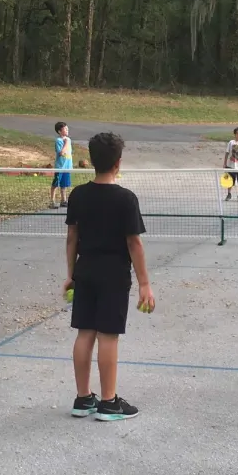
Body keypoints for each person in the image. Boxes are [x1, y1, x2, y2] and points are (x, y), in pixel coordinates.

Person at [64, 132, 156, 422]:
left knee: (84, 332)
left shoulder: (78, 195)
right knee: (108, 337)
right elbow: (134, 243)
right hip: (114, 275)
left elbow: (71, 238)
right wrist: (144, 283)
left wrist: (70, 275)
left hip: (85, 271)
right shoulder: (125, 199)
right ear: (118, 163)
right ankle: (108, 402)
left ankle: (82, 398)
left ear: (91, 161)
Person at [49, 121, 73, 209]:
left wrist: (67, 142)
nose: (67, 130)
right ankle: (52, 201)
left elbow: (69, 153)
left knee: (64, 185)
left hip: (67, 167)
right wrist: (66, 143)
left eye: (67, 128)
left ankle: (64, 201)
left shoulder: (69, 140)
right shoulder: (59, 140)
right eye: (65, 129)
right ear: (59, 131)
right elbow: (61, 153)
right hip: (60, 167)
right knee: (55, 184)